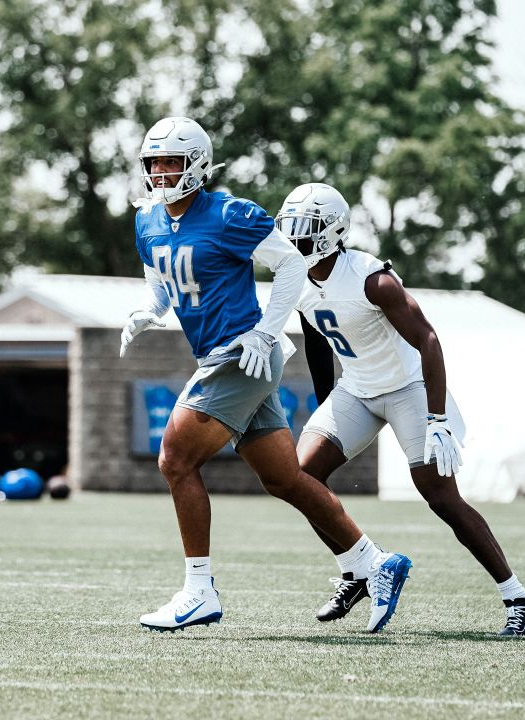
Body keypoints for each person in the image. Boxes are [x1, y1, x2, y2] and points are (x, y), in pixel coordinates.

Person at [120, 117, 412, 633]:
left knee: (175, 459)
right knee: (284, 479)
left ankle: (199, 590)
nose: (162, 172)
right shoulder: (147, 222)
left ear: (198, 165)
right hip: (222, 354)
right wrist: (150, 310)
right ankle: (372, 562)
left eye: (172, 162)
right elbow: (162, 280)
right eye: (155, 163)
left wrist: (265, 332)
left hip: (241, 354)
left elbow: (291, 266)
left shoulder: (229, 213)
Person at [276, 182, 525, 636]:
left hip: (407, 389)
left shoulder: (370, 278)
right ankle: (358, 570)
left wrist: (437, 417)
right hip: (357, 390)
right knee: (299, 477)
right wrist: (326, 406)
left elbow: (428, 340)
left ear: (329, 233)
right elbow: (317, 343)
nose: (292, 240)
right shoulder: (296, 280)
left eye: (303, 231)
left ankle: (518, 597)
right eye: (289, 229)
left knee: (441, 497)